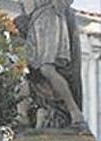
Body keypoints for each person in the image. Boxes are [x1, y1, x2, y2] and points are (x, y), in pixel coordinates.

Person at [18, 0, 86, 128]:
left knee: (47, 68)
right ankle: (23, 115)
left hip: (50, 17)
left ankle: (75, 112)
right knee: (28, 71)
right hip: (34, 22)